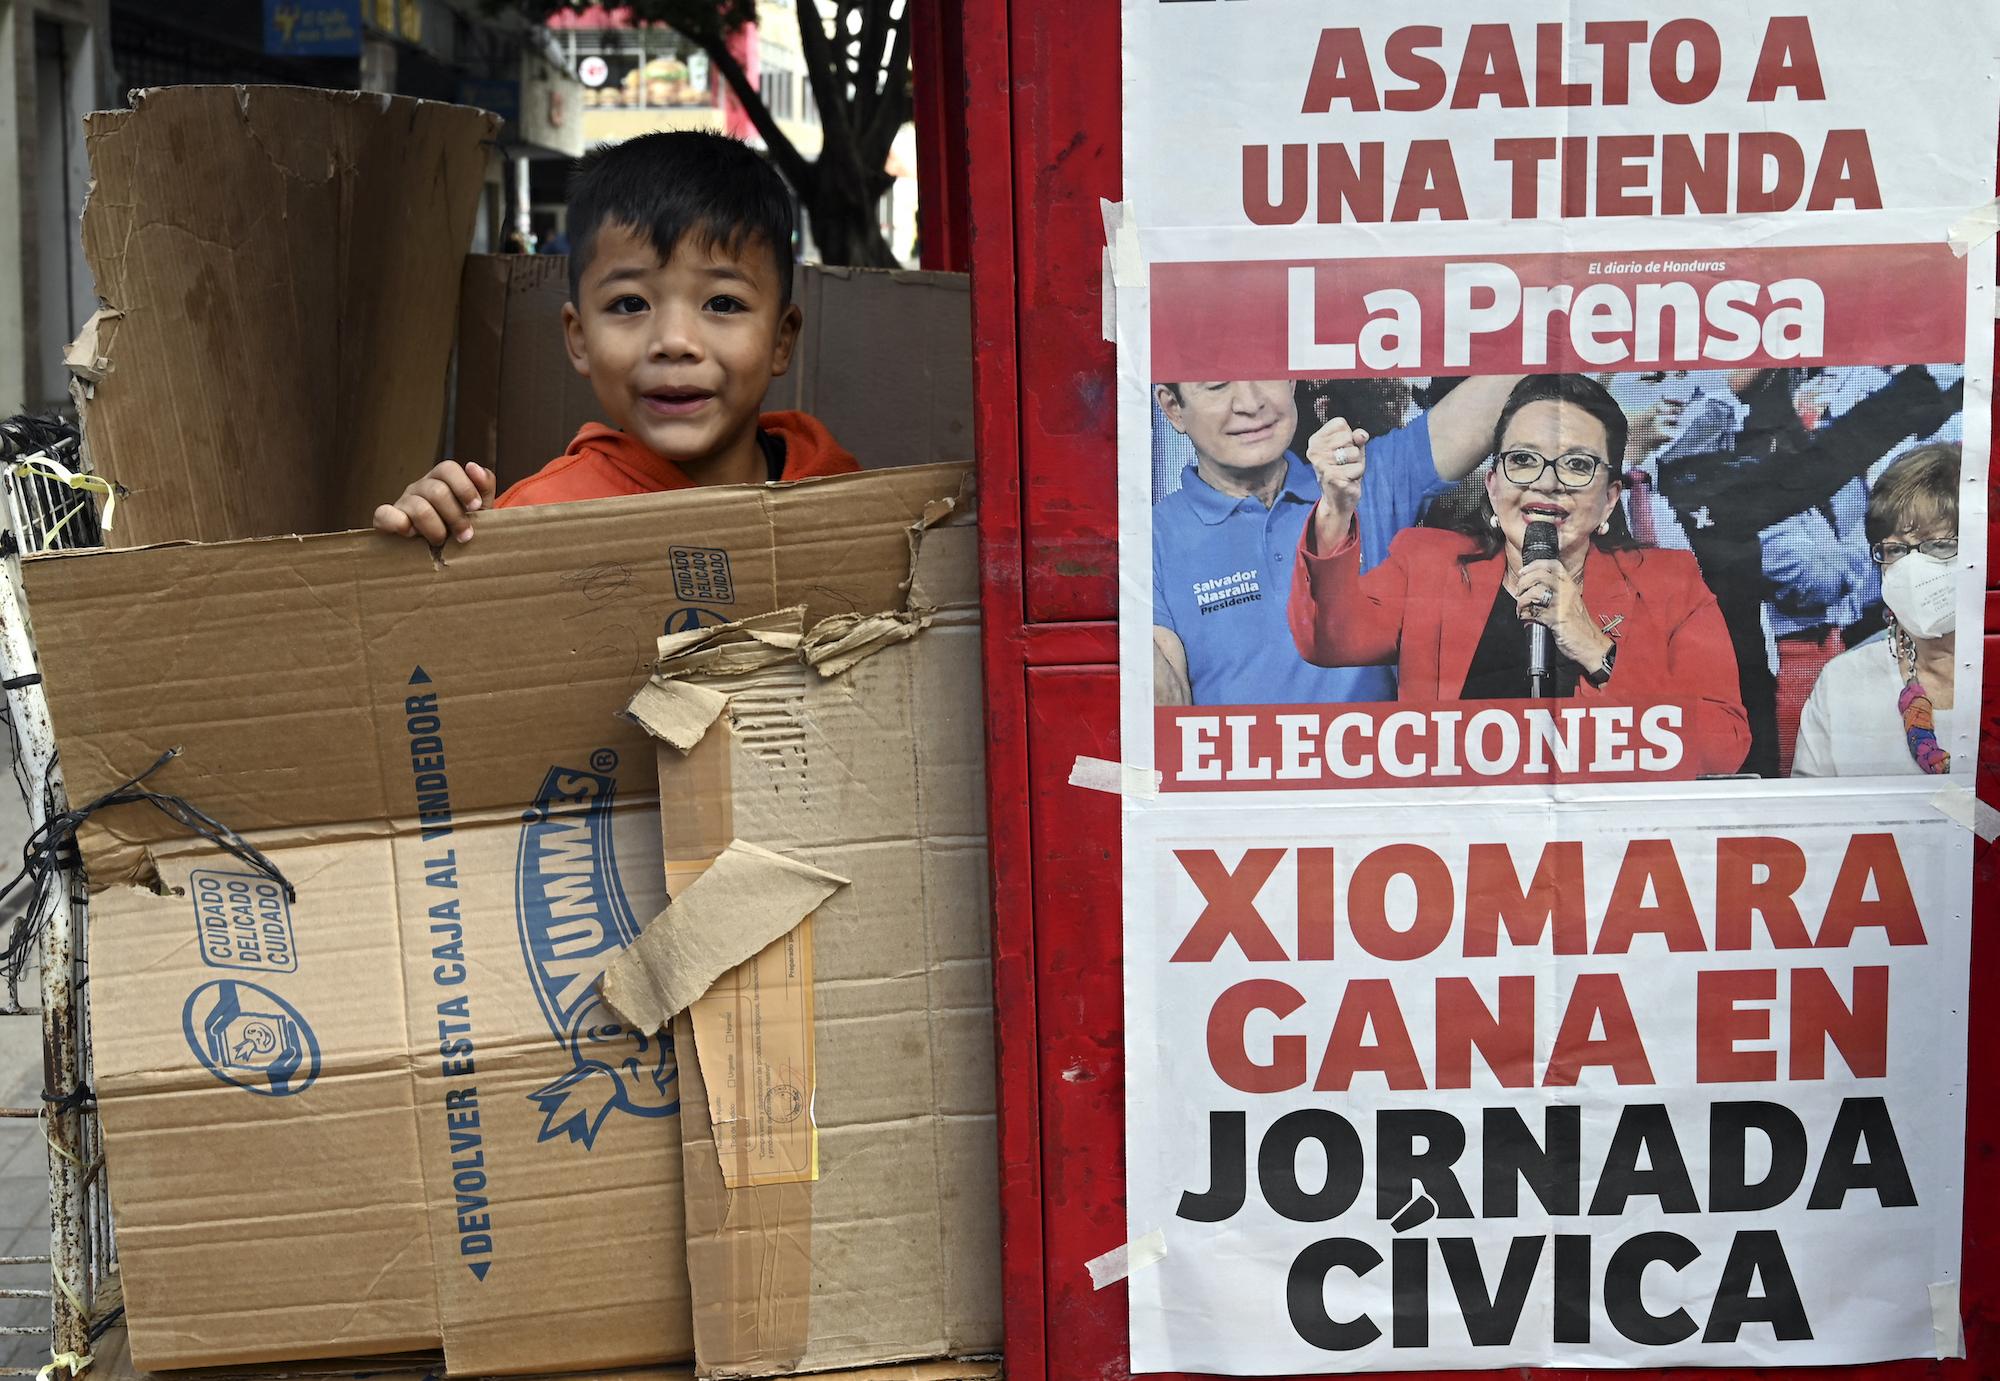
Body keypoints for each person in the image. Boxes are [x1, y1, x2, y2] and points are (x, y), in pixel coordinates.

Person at [374, 131, 858, 541]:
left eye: (722, 303)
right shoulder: (533, 522)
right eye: (630, 304)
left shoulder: (847, 499)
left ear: (781, 339)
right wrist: (435, 550)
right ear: (580, 337)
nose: (673, 341)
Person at [1288, 373, 1750, 776]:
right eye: (1523, 460)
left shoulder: (1670, 583)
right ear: (1492, 484)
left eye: (1576, 465)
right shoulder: (1428, 564)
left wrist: (1596, 649)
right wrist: (1337, 509)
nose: (1546, 482)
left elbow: (1722, 747)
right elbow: (1329, 638)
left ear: (1610, 498)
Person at [1151, 374, 1524, 706]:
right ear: (1173, 408)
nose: (1250, 404)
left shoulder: (1370, 478)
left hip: (1376, 776)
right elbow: (1165, 719)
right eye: (1218, 385)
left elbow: (1511, 378)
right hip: (1240, 779)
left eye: (1267, 374)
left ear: (1293, 380)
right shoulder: (1149, 538)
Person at [1793, 443, 1963, 777]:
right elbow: (1811, 821)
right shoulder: (1843, 683)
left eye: (1938, 545)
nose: (1914, 567)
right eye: (1896, 550)